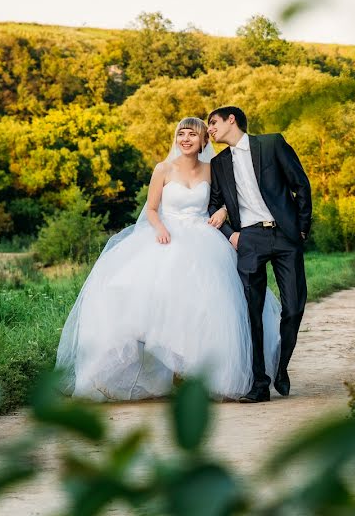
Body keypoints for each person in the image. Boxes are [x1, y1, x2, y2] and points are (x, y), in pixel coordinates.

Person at [55, 117, 280, 400]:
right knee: (133, 294)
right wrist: (160, 228)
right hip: (167, 234)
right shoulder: (163, 169)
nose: (185, 139)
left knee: (207, 304)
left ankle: (195, 372)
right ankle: (145, 369)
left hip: (204, 239)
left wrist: (222, 210)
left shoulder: (213, 170)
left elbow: (231, 198)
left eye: (192, 135)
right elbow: (151, 209)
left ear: (203, 141)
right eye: (181, 134)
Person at [207, 106, 312, 403]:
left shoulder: (271, 143)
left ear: (231, 120)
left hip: (285, 235)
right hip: (249, 239)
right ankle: (259, 384)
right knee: (251, 314)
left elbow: (300, 185)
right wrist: (232, 235)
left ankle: (281, 367)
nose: (210, 129)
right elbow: (213, 205)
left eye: (213, 123)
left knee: (293, 307)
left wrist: (302, 228)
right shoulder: (218, 163)